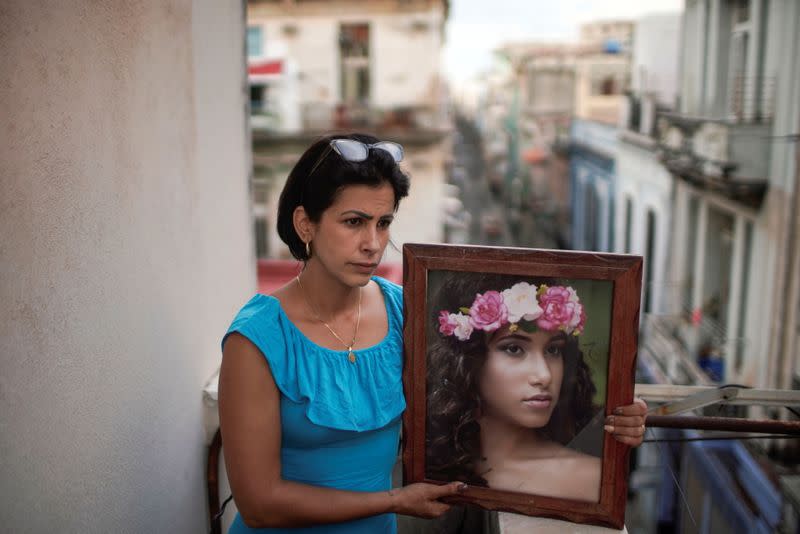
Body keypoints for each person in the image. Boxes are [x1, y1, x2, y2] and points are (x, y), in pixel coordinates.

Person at [218, 133, 467, 534]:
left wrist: (600, 430)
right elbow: (259, 504)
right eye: (354, 222)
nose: (373, 244)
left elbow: (477, 401)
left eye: (383, 223)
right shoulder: (257, 339)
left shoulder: (405, 312)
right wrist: (394, 500)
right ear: (305, 224)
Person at [426, 273, 647, 503]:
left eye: (553, 350)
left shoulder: (586, 479)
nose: (544, 375)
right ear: (467, 359)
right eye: (514, 349)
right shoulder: (429, 456)